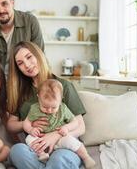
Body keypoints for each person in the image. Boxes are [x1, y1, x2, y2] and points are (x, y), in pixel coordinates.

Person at [6, 41, 87, 169]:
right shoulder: (20, 92)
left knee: (58, 160)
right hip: (37, 150)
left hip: (64, 146)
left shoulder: (63, 86)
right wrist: (28, 125)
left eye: (29, 57)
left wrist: (54, 136)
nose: (27, 65)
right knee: (16, 151)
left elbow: (81, 127)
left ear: (38, 55)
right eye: (20, 63)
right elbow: (10, 125)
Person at [23, 79, 96, 168]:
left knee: (71, 141)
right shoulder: (34, 108)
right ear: (38, 97)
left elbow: (75, 122)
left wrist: (67, 128)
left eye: (53, 107)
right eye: (45, 107)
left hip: (60, 137)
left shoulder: (63, 109)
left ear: (61, 100)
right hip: (41, 138)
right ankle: (41, 154)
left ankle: (86, 157)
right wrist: (31, 129)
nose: (49, 110)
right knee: (29, 138)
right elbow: (26, 122)